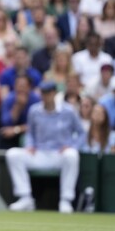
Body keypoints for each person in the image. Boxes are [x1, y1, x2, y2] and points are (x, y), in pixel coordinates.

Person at [5, 81, 85, 213]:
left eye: (47, 93)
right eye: (42, 93)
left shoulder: (68, 111)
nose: (44, 96)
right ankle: (26, 198)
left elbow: (81, 133)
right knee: (13, 154)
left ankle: (66, 200)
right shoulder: (34, 111)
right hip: (40, 154)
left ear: (54, 93)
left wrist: (72, 146)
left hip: (60, 155)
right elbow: (30, 133)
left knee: (72, 155)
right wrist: (29, 145)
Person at [0, 75, 40, 149]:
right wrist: (18, 106)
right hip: (13, 131)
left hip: (29, 133)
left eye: (23, 86)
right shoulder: (9, 99)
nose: (20, 89)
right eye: (18, 86)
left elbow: (38, 125)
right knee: (3, 134)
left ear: (29, 87)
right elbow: (6, 122)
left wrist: (16, 130)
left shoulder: (36, 100)